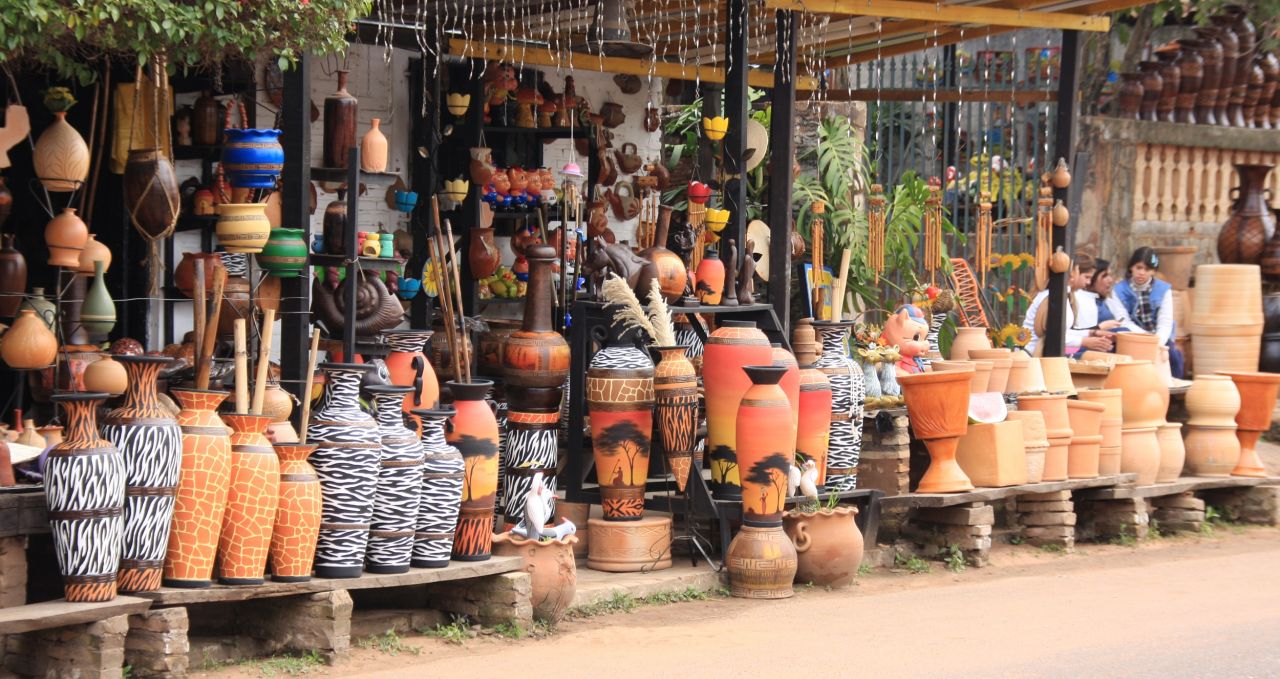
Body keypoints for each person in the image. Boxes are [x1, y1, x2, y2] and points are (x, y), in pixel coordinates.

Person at [1114, 246, 1184, 377]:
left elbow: (1165, 321)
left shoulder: (1163, 289)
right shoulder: (1118, 290)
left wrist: (1157, 342)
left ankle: (1174, 392)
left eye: (1147, 269)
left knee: (1172, 357)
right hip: (1133, 335)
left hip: (1159, 337)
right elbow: (1123, 320)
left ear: (1153, 271)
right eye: (1138, 268)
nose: (1142, 273)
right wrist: (1145, 339)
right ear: (1131, 267)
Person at [1023, 252, 1111, 355]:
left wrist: (1091, 333)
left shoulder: (1062, 295)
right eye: (1087, 277)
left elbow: (1062, 331)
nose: (1088, 283)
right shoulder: (1054, 297)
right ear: (1074, 272)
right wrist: (1084, 341)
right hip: (1034, 355)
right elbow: (1053, 335)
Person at [1074, 258, 1139, 340]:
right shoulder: (1081, 300)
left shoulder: (1105, 299)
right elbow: (1076, 337)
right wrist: (1101, 327)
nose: (1110, 280)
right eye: (1104, 276)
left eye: (1110, 275)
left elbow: (1123, 319)